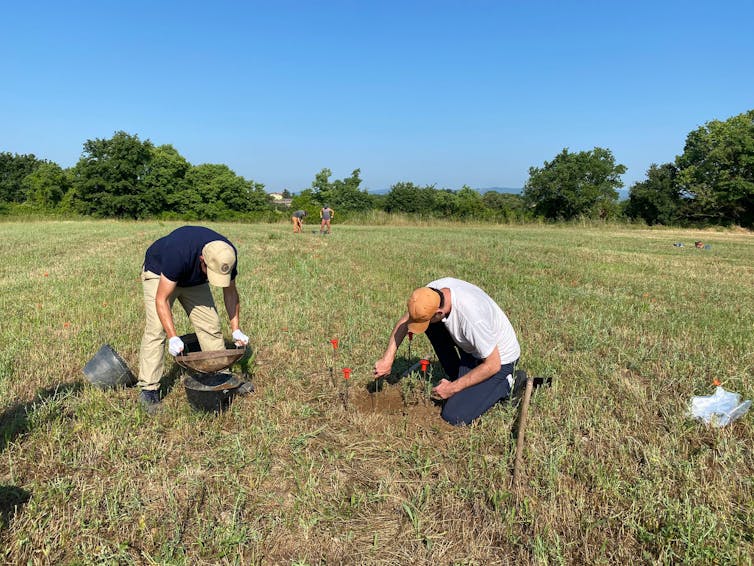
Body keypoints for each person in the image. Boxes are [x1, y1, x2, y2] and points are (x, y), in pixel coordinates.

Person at [373, 278, 522, 425]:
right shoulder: (431, 293)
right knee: (431, 326)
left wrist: (452, 388)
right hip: (473, 348)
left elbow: (492, 365)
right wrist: (388, 358)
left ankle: (510, 382)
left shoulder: (472, 318)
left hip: (499, 361)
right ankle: (456, 375)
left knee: (454, 415)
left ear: (439, 312)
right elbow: (406, 321)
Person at [138, 226, 250, 412]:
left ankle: (221, 377)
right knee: (156, 330)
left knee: (211, 325)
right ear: (202, 260)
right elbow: (161, 299)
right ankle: (149, 389)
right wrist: (173, 337)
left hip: (193, 280)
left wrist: (235, 328)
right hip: (160, 275)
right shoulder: (178, 253)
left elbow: (230, 292)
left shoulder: (226, 255)